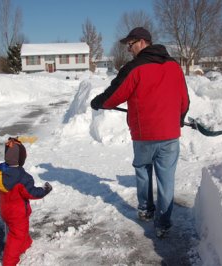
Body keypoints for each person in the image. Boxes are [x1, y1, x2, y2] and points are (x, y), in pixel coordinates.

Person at [90, 27, 190, 238]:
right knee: (166, 179)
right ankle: (163, 223)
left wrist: (99, 102)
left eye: (131, 44)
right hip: (171, 134)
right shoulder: (174, 66)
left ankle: (146, 210)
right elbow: (184, 99)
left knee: (143, 170)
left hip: (145, 135)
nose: (129, 49)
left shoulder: (135, 67)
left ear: (143, 42)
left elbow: (114, 95)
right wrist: (179, 118)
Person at [0, 137, 52, 265]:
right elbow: (31, 193)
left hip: (5, 210)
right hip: (17, 214)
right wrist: (45, 190)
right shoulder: (22, 177)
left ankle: (26, 245)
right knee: (16, 237)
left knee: (19, 232)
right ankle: (9, 262)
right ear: (21, 158)